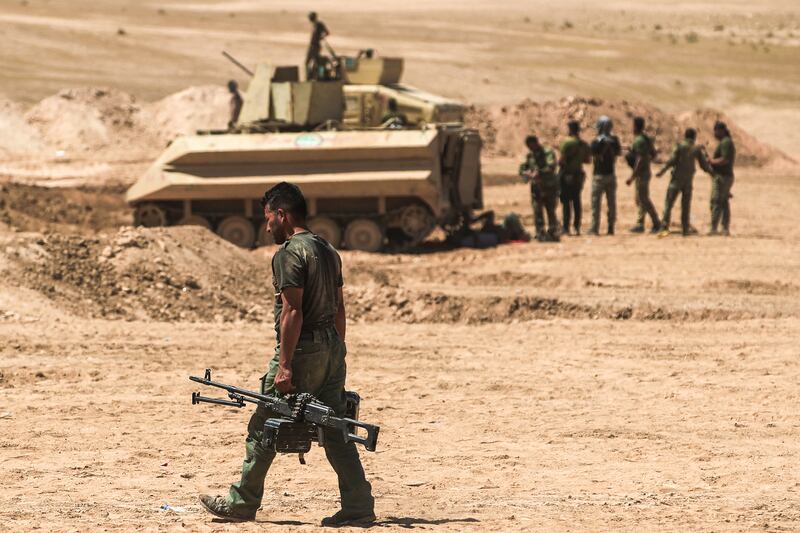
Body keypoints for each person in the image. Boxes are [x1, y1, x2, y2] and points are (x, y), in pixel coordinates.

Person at [199, 182, 375, 527]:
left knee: (266, 421)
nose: (266, 227)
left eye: (268, 219)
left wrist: (285, 365)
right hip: (331, 348)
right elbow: (340, 308)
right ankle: (358, 505)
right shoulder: (327, 249)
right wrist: (336, 351)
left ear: (282, 214)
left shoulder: (290, 252)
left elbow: (292, 312)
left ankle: (241, 502)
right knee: (335, 426)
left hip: (304, 349)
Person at [655, 128, 711, 236]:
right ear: (694, 137)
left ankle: (664, 227)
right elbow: (704, 165)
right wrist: (712, 173)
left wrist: (662, 171)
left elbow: (672, 160)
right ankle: (685, 228)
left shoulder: (680, 146)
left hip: (676, 180)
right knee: (686, 205)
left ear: (685, 136)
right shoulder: (696, 149)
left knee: (669, 204)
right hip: (688, 181)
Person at [519, 135, 560, 242]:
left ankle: (553, 232)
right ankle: (540, 232)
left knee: (550, 209)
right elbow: (524, 167)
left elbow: (551, 166)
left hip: (549, 186)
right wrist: (525, 173)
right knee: (537, 210)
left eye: (532, 145)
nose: (531, 148)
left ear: (537, 143)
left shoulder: (548, 152)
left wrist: (540, 173)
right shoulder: (530, 155)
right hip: (536, 188)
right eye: (529, 146)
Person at [625, 116, 661, 233]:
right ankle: (640, 223)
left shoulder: (639, 140)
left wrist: (632, 176)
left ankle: (656, 223)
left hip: (641, 173)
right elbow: (654, 154)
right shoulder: (646, 139)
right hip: (645, 172)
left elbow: (640, 159)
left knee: (643, 199)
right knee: (640, 199)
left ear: (635, 126)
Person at [588, 116, 621, 235]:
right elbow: (618, 152)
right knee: (611, 203)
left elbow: (591, 153)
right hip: (611, 175)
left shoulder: (596, 141)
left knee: (595, 204)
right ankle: (610, 227)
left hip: (598, 176)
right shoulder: (615, 140)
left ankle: (594, 228)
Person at [558, 120, 591, 235]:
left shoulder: (567, 143)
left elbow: (561, 161)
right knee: (577, 201)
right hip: (578, 175)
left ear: (570, 129)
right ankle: (577, 227)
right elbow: (587, 160)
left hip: (567, 175)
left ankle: (566, 228)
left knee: (566, 203)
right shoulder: (584, 144)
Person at [708, 121, 736, 236]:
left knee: (716, 201)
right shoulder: (726, 142)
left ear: (721, 131)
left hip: (722, 177)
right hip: (725, 176)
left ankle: (714, 228)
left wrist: (711, 161)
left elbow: (725, 159)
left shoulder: (726, 142)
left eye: (716, 131)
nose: (714, 133)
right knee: (723, 202)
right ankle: (724, 228)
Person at [306, 12, 329, 81]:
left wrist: (321, 38)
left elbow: (327, 32)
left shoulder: (319, 24)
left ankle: (313, 77)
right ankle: (311, 76)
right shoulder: (314, 25)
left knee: (312, 62)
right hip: (312, 45)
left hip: (315, 46)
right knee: (313, 62)